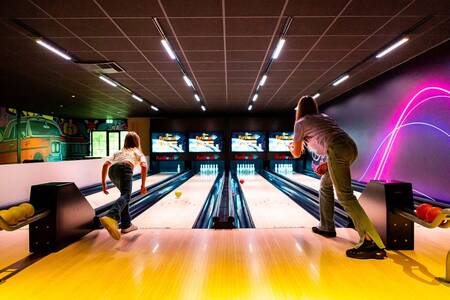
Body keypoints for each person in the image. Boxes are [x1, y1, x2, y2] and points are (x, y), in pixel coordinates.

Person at [289, 96, 386, 259]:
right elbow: (333, 139)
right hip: (349, 147)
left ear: (299, 109)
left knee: (345, 196)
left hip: (337, 150)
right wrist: (328, 163)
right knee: (325, 185)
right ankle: (326, 226)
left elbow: (297, 153)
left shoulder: (300, 123)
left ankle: (371, 241)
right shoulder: (324, 117)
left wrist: (291, 148)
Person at [99, 131, 147, 240]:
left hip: (112, 171)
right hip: (125, 169)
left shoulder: (118, 152)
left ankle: (126, 225)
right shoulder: (137, 152)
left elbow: (106, 164)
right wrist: (143, 186)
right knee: (126, 196)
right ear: (137, 142)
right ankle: (111, 216)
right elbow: (144, 166)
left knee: (124, 197)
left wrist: (104, 183)